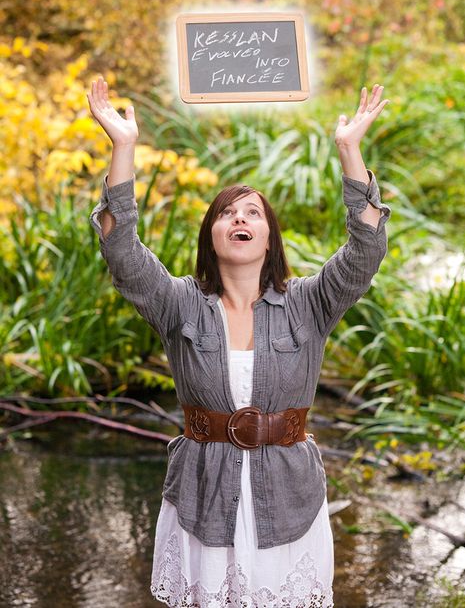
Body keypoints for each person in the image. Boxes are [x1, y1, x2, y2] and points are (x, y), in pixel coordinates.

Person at [88, 76, 391, 607]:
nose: (240, 219)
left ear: (269, 237)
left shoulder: (309, 303)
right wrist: (124, 146)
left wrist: (350, 150)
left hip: (289, 502)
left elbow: (366, 247)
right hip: (203, 499)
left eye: (253, 213)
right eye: (227, 213)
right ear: (212, 235)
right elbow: (121, 247)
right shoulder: (178, 303)